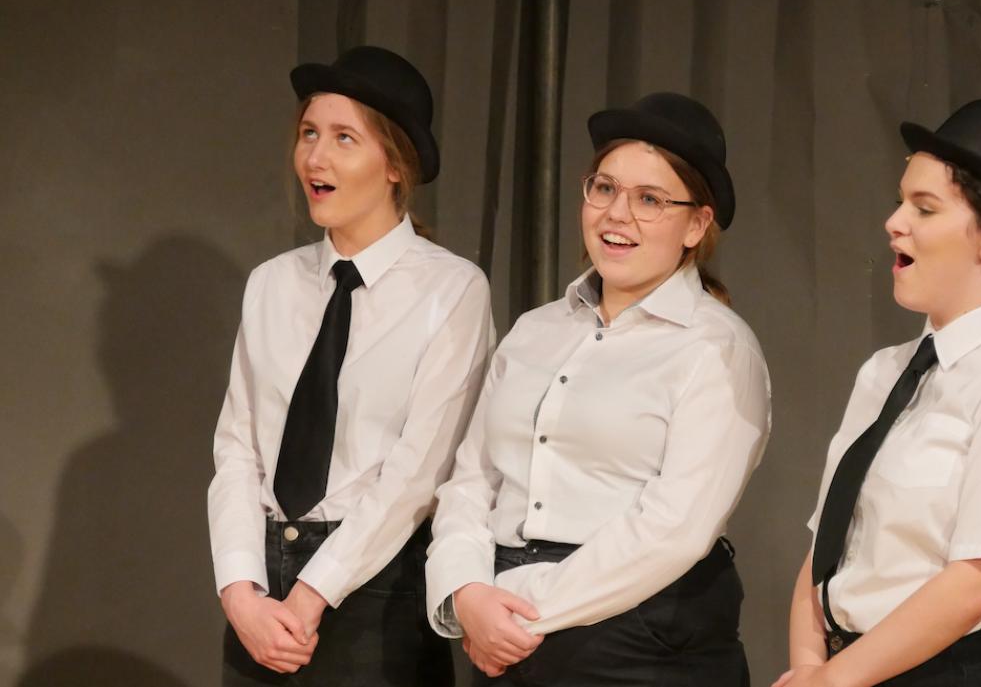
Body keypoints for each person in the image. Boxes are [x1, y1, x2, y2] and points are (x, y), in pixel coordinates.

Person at [425, 92, 772, 686]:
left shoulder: (715, 348)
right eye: (604, 188)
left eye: (650, 200)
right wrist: (463, 592)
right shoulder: (535, 330)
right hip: (505, 622)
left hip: (640, 638)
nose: (617, 214)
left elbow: (674, 528)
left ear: (696, 225)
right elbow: (472, 479)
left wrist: (521, 606)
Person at [777, 99, 981, 687]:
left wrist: (832, 681)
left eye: (924, 208)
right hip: (849, 667)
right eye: (900, 201)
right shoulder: (884, 371)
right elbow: (829, 542)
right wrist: (808, 665)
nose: (894, 222)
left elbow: (977, 578)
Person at [208, 45, 493, 686]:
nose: (316, 157)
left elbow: (419, 472)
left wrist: (311, 595)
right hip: (262, 586)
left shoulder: (451, 290)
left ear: (394, 164)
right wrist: (239, 589)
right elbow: (237, 447)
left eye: (343, 138)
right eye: (310, 133)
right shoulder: (272, 284)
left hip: (372, 586)